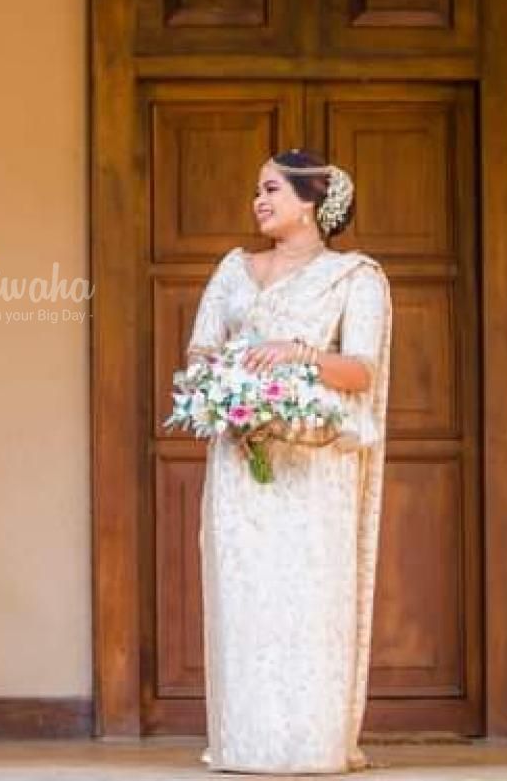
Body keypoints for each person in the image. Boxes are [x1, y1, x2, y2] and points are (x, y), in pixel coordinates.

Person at [186, 149, 392, 774]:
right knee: (244, 600)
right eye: (257, 189)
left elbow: (361, 370)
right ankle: (244, 743)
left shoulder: (353, 278)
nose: (259, 200)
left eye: (272, 189)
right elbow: (201, 352)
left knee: (307, 599)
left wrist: (296, 356)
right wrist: (228, 392)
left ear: (310, 202)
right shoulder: (233, 269)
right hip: (241, 460)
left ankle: (311, 746)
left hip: (313, 467)